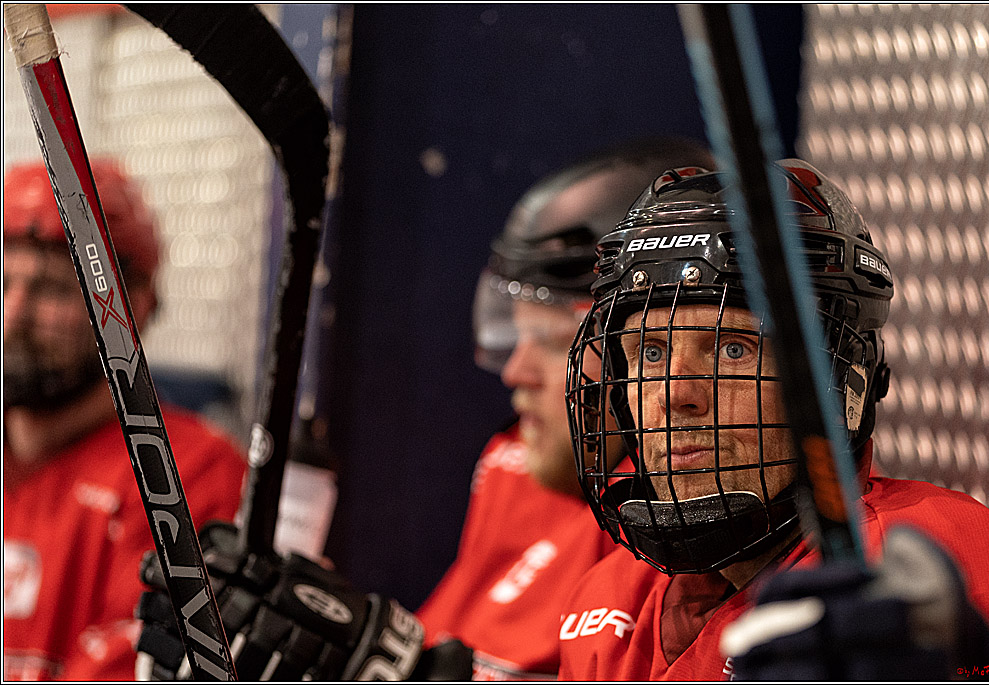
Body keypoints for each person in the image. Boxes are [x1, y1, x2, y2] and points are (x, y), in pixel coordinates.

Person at [132, 137, 717, 681]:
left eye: (553, 339)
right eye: (516, 338)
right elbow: (445, 644)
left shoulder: (700, 524)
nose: (514, 373)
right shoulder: (515, 468)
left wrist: (399, 668)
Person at [558, 160, 989, 680]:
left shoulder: (951, 569)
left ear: (841, 379)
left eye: (733, 349)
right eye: (650, 352)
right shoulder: (607, 598)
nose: (675, 394)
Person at [2, 159, 249, 681]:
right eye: (2, 282)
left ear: (131, 306)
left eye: (50, 289)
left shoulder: (188, 472)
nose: (14, 313)